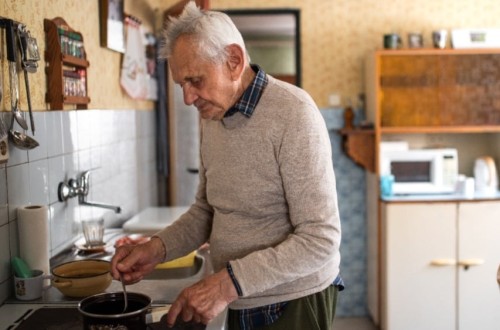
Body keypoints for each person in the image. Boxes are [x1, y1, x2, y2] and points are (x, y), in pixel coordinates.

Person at [110, 2, 343, 329]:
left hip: (292, 300)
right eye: (181, 85)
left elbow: (321, 238)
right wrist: (156, 249)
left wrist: (226, 283)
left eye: (195, 80)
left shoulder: (295, 114)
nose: (188, 98)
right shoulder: (213, 116)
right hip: (237, 293)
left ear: (233, 61)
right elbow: (206, 210)